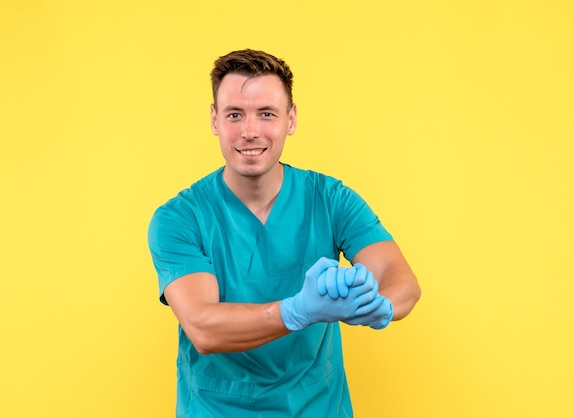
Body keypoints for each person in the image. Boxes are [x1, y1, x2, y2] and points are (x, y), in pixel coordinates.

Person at [148, 49, 421, 417]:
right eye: (234, 115)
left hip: (318, 407)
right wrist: (297, 311)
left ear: (290, 119)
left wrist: (379, 304)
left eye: (266, 114)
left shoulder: (330, 199)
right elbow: (204, 327)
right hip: (218, 409)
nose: (249, 131)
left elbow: (401, 279)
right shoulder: (180, 218)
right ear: (214, 119)